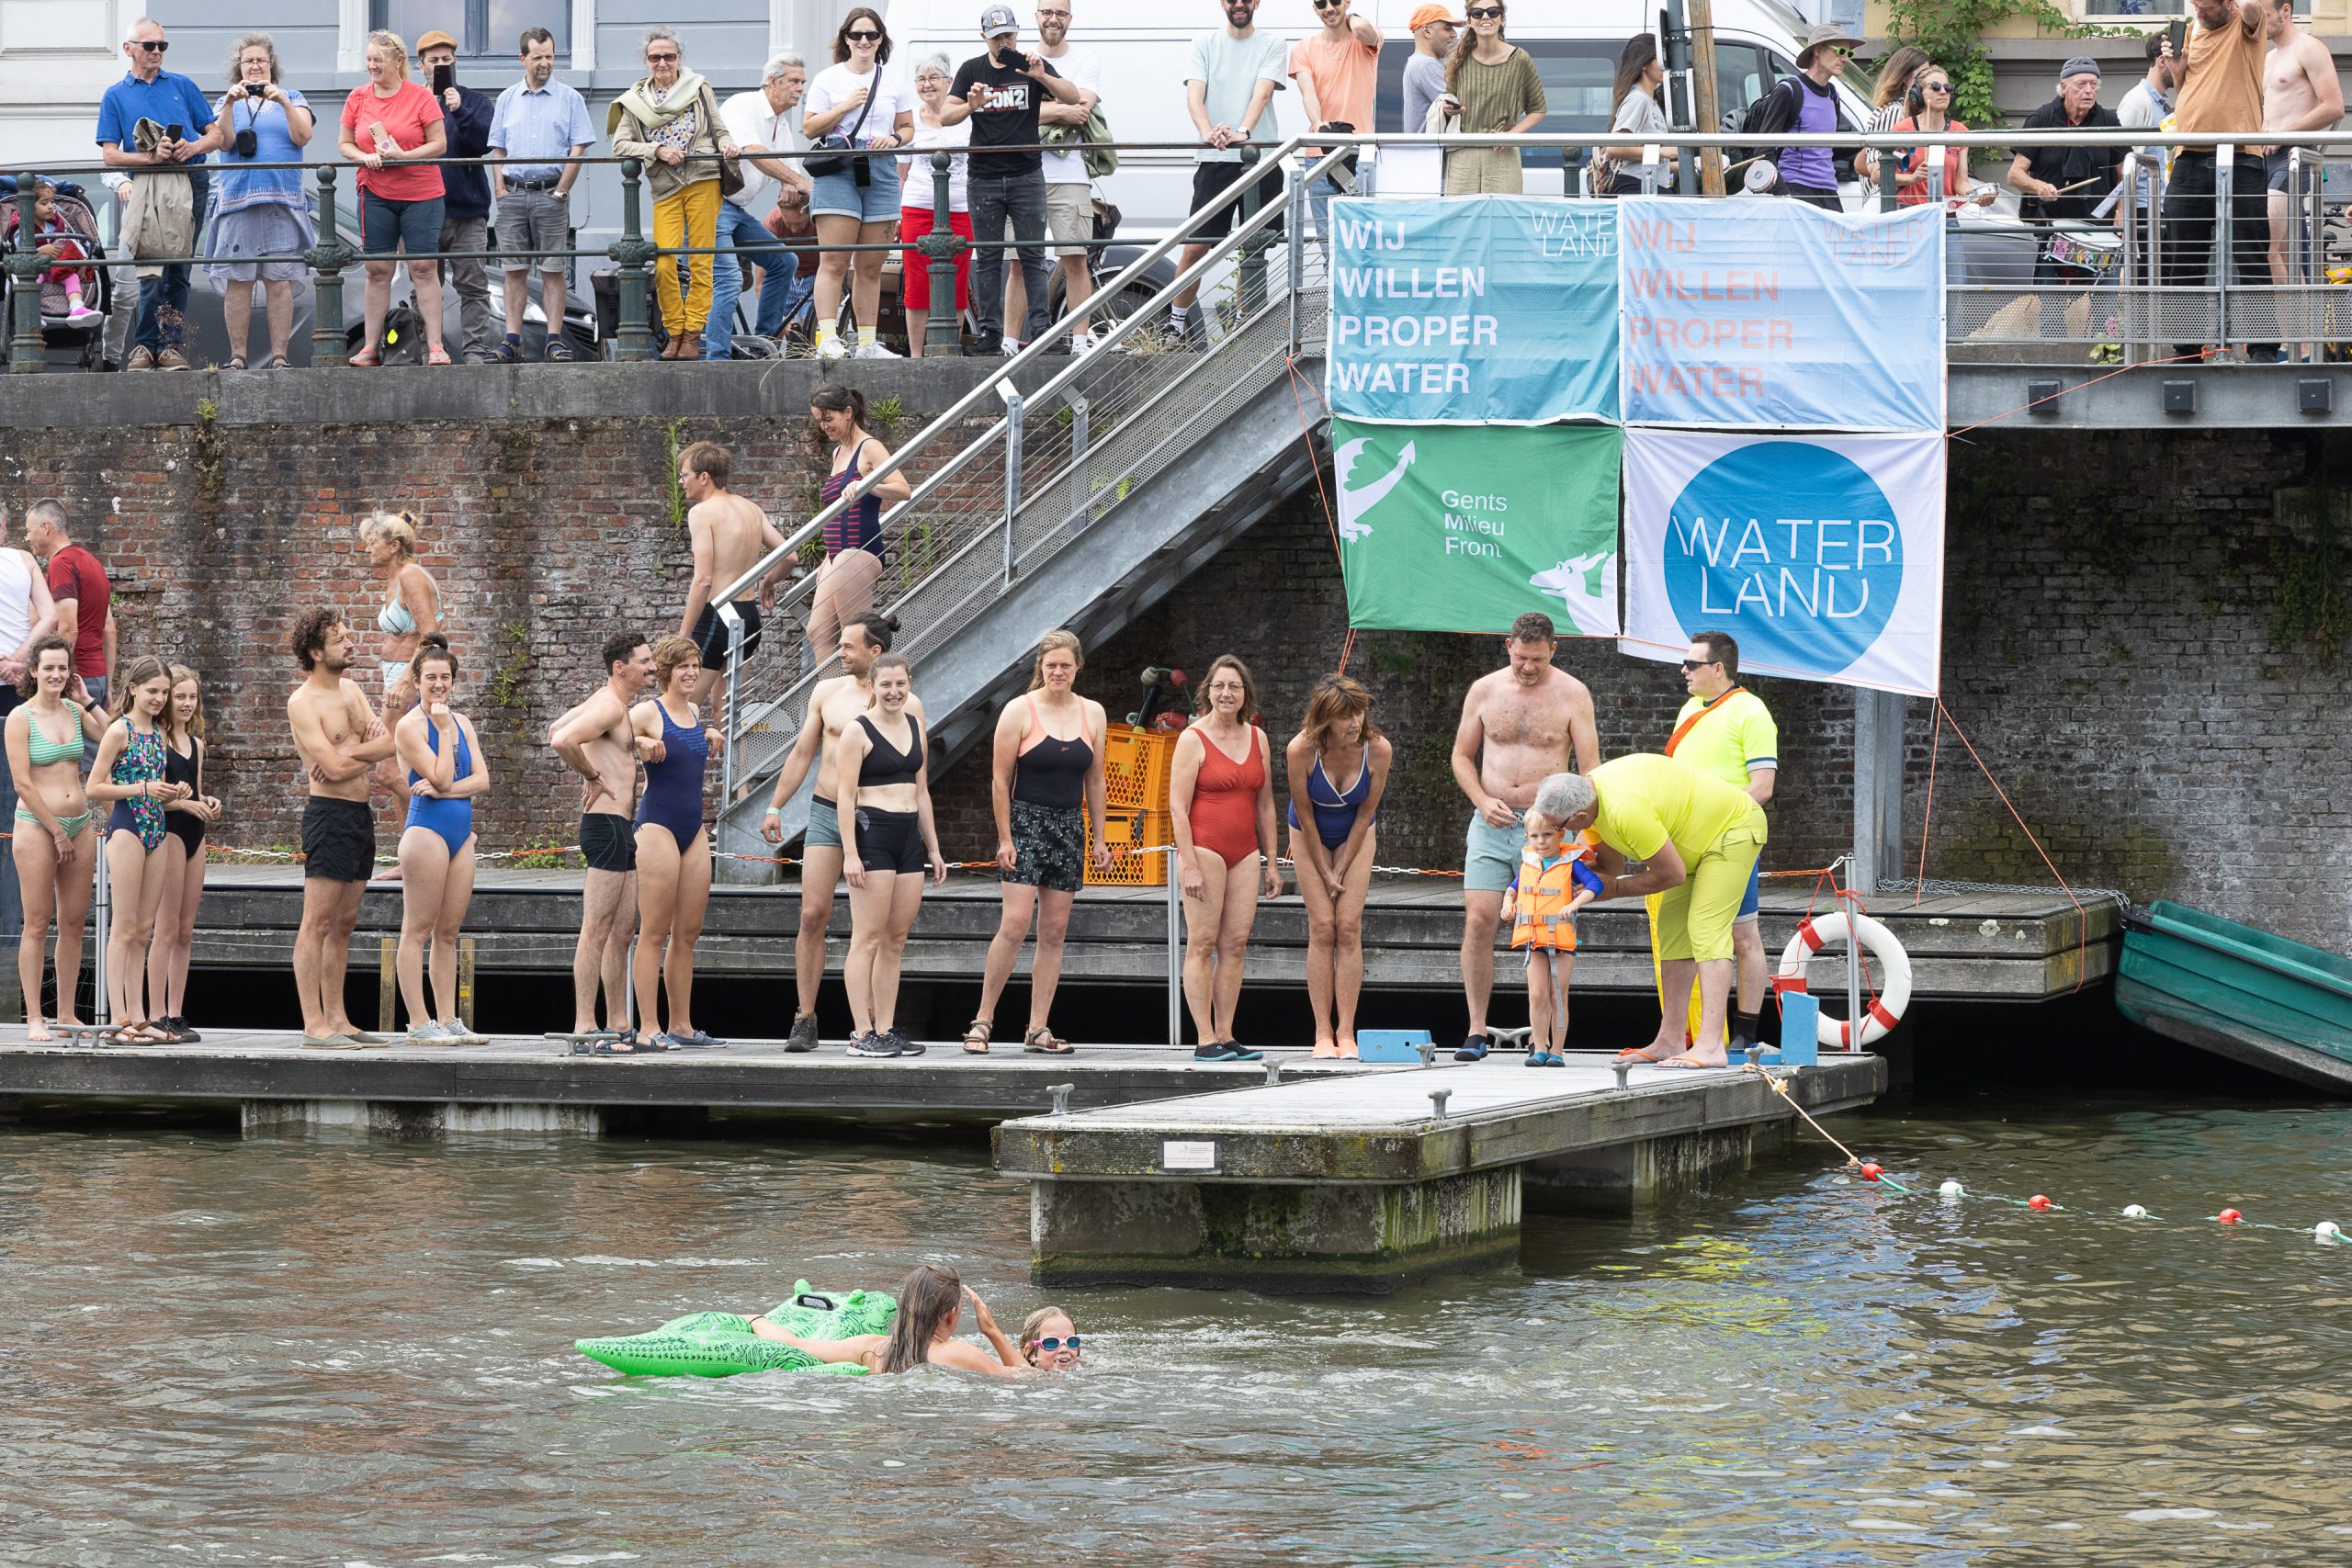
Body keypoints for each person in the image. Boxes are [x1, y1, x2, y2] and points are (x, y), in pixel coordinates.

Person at [1540, 761, 1768, 1071]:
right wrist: (1563, 877)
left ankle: (1712, 1045)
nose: (1560, 833)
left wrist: (1615, 890)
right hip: (1693, 844)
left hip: (1733, 829)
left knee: (1706, 928)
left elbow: (1670, 875)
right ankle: (1670, 1040)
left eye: (1560, 827)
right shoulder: (1590, 798)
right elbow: (1611, 866)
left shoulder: (1625, 809)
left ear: (1578, 817)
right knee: (1672, 931)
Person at [1448, 612, 1598, 1062]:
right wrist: (1480, 800)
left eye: (1537, 659)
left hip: (1546, 827)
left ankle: (1542, 1037)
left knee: (1545, 931)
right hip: (1491, 819)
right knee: (1479, 920)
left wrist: (1581, 827)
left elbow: (1590, 770)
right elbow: (1461, 756)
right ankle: (1476, 1029)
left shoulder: (1573, 693)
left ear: (1553, 650)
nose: (1528, 667)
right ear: (1508, 646)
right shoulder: (1484, 689)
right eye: (1521, 658)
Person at [761, 613, 909, 1055]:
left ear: (874, 651)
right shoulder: (827, 692)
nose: (839, 652)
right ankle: (805, 1016)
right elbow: (802, 752)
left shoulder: (896, 697)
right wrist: (775, 805)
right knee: (813, 913)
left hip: (876, 819)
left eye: (847, 646)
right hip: (827, 811)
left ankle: (875, 1024)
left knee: (877, 927)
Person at [965, 629, 1110, 1056]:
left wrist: (1100, 838)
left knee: (1054, 931)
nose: (1058, 672)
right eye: (1051, 665)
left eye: (1065, 665)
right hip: (1027, 822)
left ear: (1078, 666)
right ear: (1040, 668)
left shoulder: (1093, 713)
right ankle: (982, 1021)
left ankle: (1038, 1027)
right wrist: (1004, 837)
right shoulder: (1019, 710)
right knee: (1014, 924)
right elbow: (1000, 779)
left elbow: (1095, 779)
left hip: (1069, 827)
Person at [285, 609, 397, 1049]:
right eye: (340, 639)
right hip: (328, 816)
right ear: (316, 652)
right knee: (317, 922)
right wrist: (360, 749)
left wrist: (348, 750)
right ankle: (313, 1024)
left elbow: (389, 742)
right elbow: (328, 770)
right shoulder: (303, 702)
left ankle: (339, 1019)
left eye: (347, 636)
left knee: (345, 923)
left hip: (359, 815)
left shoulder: (351, 690)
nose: (351, 644)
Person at [1662, 632, 1777, 1057]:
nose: (1683, 670)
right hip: (1686, 840)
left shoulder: (1752, 711)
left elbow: (1762, 787)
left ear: (1718, 668)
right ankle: (1675, 1035)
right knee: (1682, 933)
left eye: (1692, 664)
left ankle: (1745, 1031)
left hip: (1728, 839)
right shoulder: (1689, 709)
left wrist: (1715, 822)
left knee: (1742, 932)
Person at [944, 5, 1081, 358]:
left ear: (1018, 33)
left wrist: (1042, 77)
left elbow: (1073, 96)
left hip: (1026, 175)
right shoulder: (971, 69)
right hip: (984, 177)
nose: (1004, 42)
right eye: (996, 38)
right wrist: (971, 105)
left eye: (1008, 35)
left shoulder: (1030, 64)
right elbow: (945, 116)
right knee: (988, 257)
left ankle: (1042, 332)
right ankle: (990, 334)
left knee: (1032, 255)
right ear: (984, 38)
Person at [831, 651, 946, 1058]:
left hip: (908, 835)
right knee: (867, 938)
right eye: (886, 685)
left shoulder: (915, 725)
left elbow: (922, 791)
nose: (894, 692)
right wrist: (850, 853)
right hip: (873, 833)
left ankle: (885, 1027)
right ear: (873, 686)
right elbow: (845, 797)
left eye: (900, 684)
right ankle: (861, 1032)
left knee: (896, 939)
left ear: (909, 683)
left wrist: (934, 848)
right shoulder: (857, 731)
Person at [1170, 654, 1279, 1062]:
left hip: (1245, 852)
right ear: (1208, 692)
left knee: (1235, 944)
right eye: (1219, 686)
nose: (1226, 693)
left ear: (1245, 693)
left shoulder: (1257, 738)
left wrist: (1272, 861)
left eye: (1234, 686)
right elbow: (1177, 807)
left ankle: (1226, 1033)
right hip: (1204, 849)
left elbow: (1265, 803)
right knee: (1202, 942)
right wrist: (1189, 864)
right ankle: (1204, 1039)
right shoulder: (1192, 738)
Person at [550, 631, 654, 1047]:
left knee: (622, 931)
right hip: (605, 826)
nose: (652, 667)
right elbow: (561, 739)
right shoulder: (610, 705)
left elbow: (558, 725)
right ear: (620, 667)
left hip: (621, 828)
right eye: (644, 661)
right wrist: (592, 774)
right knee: (596, 928)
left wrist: (626, 745)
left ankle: (618, 1022)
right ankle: (584, 1025)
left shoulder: (607, 702)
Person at [609, 28, 738, 363]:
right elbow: (620, 145)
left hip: (703, 179)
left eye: (669, 56)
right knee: (664, 264)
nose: (662, 62)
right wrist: (656, 149)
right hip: (665, 187)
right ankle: (675, 331)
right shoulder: (635, 100)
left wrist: (726, 144)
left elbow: (720, 129)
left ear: (679, 59)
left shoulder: (699, 87)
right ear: (646, 61)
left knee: (701, 260)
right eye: (655, 57)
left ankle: (692, 336)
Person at [96, 17, 215, 371]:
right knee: (150, 270)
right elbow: (110, 155)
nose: (157, 52)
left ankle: (170, 347)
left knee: (178, 269)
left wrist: (192, 147)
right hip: (148, 185)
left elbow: (216, 135)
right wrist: (150, 158)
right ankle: (146, 346)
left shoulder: (182, 84)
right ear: (128, 48)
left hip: (189, 179)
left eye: (162, 45)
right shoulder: (116, 95)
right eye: (149, 45)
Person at [85, 656, 190, 1043]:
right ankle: (119, 1020)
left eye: (164, 692)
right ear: (133, 689)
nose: (160, 698)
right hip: (127, 827)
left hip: (156, 829)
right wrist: (143, 788)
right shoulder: (119, 730)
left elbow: (156, 788)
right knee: (124, 927)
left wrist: (175, 793)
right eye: (152, 691)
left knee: (144, 929)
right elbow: (94, 787)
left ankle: (139, 1017)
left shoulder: (160, 732)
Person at [1285, 673, 1390, 1060]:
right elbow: (1305, 815)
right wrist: (1325, 871)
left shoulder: (1378, 749)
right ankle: (1322, 1032)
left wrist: (1341, 868)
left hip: (1356, 832)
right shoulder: (1301, 749)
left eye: (1359, 712)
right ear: (1325, 717)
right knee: (1322, 927)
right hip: (1309, 831)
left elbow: (1365, 814)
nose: (1354, 722)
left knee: (1347, 926)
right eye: (1345, 716)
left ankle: (1346, 1031)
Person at [390, 636, 488, 1045]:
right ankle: (418, 1022)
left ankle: (448, 1017)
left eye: (445, 677)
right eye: (430, 677)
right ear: (416, 681)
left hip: (460, 835)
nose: (438, 685)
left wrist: (444, 791)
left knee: (448, 932)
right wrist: (443, 730)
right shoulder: (410, 726)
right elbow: (444, 775)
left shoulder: (463, 722)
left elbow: (482, 780)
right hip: (426, 832)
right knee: (417, 929)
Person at [1170, 0, 1287, 346]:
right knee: (1196, 246)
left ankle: (1241, 324)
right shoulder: (1204, 44)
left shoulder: (1273, 44)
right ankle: (1173, 326)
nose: (1239, 4)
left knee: (1253, 248)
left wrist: (1243, 132)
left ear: (1256, 3)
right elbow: (1194, 96)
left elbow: (1262, 93)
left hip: (1260, 159)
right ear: (1223, 3)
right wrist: (1208, 132)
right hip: (1215, 160)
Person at [630, 634, 725, 1050]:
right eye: (684, 666)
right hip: (657, 826)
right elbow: (607, 737)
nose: (691, 672)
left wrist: (710, 730)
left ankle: (681, 1026)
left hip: (692, 828)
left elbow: (689, 745)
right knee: (654, 931)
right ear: (667, 671)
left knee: (687, 932)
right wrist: (640, 741)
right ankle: (648, 1028)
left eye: (695, 665)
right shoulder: (647, 711)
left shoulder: (694, 710)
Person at [6, 637, 104, 1041]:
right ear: (34, 671)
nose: (56, 674)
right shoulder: (20, 718)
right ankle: (34, 1016)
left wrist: (88, 700)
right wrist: (57, 831)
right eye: (48, 668)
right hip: (37, 824)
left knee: (74, 922)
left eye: (63, 668)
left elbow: (114, 737)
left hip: (79, 822)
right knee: (36, 922)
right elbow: (22, 783)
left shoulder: (74, 710)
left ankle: (66, 1013)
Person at [804, 7, 916, 360]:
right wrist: (844, 107)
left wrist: (894, 140)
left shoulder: (894, 81)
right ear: (846, 40)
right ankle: (828, 339)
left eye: (871, 34)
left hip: (880, 167)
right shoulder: (828, 79)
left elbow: (908, 127)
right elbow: (809, 127)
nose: (864, 41)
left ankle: (867, 343)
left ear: (881, 39)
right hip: (839, 166)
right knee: (834, 260)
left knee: (870, 265)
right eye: (856, 35)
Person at [2162, 3, 2270, 362]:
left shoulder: (2247, 22)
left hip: (2241, 157)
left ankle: (2262, 349)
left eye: (2207, 7)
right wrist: (2178, 72)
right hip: (2188, 158)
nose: (2200, 13)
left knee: (2251, 256)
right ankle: (2186, 351)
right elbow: (2189, 90)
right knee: (2184, 259)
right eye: (2196, 6)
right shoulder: (2194, 30)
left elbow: (2253, 6)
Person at [203, 33, 314, 370]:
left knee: (279, 281)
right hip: (239, 199)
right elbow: (224, 143)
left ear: (271, 65)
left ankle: (280, 357)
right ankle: (237, 356)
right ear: (238, 67)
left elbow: (303, 136)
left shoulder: (293, 97)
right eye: (248, 61)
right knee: (238, 281)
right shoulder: (224, 101)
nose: (254, 66)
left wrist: (282, 102)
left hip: (282, 200)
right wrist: (229, 103)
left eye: (260, 61)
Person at [339, 30, 449, 367]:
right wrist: (364, 157)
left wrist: (404, 156)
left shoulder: (420, 96)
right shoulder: (358, 97)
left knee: (423, 268)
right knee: (377, 269)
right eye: (369, 60)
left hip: (421, 194)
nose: (372, 66)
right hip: (375, 192)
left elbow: (439, 144)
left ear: (398, 61)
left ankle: (435, 347)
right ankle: (370, 348)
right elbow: (345, 144)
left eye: (379, 60)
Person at [489, 27, 596, 365]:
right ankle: (512, 340)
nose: (545, 63)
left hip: (551, 194)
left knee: (553, 270)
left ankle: (554, 340)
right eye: (538, 57)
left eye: (549, 56)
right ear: (523, 59)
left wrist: (562, 191)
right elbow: (498, 149)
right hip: (513, 194)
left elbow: (578, 149)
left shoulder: (570, 98)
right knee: (514, 270)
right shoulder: (507, 99)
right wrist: (500, 191)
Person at [745, 1264, 1046, 1377]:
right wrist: (991, 1330)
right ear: (951, 1314)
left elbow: (794, 1344)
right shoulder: (958, 1353)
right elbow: (1029, 1381)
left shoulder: (871, 1348)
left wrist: (754, 1319)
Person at [708, 53, 812, 360]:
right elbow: (754, 152)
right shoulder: (743, 105)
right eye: (794, 81)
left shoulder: (781, 123)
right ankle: (717, 359)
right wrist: (796, 181)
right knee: (728, 280)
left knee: (784, 261)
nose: (800, 88)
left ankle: (762, 346)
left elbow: (792, 175)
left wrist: (801, 188)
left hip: (736, 210)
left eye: (802, 82)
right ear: (772, 81)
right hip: (712, 206)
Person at [674, 440, 789, 716]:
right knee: (728, 713)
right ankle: (736, 749)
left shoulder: (702, 512)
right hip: (748, 615)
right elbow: (790, 556)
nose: (681, 482)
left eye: (685, 475)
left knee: (681, 708)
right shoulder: (751, 509)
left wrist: (683, 636)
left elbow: (704, 580)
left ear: (704, 477)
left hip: (718, 614)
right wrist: (769, 581)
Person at [2007, 60, 2125, 314]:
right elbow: (2015, 174)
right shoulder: (2042, 119)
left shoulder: (2108, 120)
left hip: (2101, 231)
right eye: (2081, 84)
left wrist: (2121, 214)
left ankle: (2105, 341)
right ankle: (2054, 340)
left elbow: (2125, 175)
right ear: (2063, 87)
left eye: (2093, 84)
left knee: (2105, 309)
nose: (2089, 90)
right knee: (2051, 305)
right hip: (2054, 229)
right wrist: (2038, 186)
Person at [806, 385, 911, 669]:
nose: (824, 426)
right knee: (818, 631)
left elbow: (903, 489)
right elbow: (835, 511)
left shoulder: (870, 447)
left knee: (855, 637)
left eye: (828, 418)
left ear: (848, 412)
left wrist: (867, 485)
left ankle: (863, 692)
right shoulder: (837, 453)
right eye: (819, 420)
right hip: (836, 555)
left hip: (859, 551)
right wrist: (827, 559)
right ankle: (830, 694)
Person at [2259, 0, 2342, 357]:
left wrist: (2285, 133)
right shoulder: (2268, 57)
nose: (2258, 23)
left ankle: (2299, 341)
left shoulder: (2309, 47)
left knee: (2271, 247)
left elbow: (2334, 106)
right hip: (2265, 157)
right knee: (2286, 252)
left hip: (2295, 156)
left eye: (2263, 15)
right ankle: (2296, 342)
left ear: (2285, 11)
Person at [143, 664, 217, 1046]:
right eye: (180, 696)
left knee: (186, 930)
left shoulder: (197, 745)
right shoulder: (157, 741)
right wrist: (185, 805)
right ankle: (156, 1014)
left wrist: (208, 802)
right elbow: (157, 799)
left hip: (195, 837)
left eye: (192, 696)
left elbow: (196, 793)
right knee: (166, 928)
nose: (187, 703)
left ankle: (176, 1012)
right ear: (167, 700)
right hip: (169, 832)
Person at [413, 30, 497, 365]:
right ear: (420, 65)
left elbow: (484, 144)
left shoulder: (475, 101)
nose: (440, 65)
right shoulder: (410, 101)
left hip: (467, 211)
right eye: (433, 60)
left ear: (456, 62)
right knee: (422, 283)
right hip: (422, 209)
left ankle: (475, 351)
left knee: (473, 285)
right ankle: (427, 350)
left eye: (446, 60)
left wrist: (460, 111)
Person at [0, 506, 58, 944]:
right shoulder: (23, 559)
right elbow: (50, 617)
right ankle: (13, 919)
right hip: (17, 680)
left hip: (14, 680)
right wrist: (19, 660)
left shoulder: (22, 559)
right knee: (19, 792)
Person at [1035, 1, 1105, 355]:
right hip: (1026, 175)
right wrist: (1063, 108)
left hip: (1072, 175)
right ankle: (1012, 343)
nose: (1053, 19)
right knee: (1018, 261)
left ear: (1070, 19)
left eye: (1060, 13)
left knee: (1076, 259)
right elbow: (1013, 113)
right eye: (1047, 12)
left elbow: (1083, 107)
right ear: (1036, 16)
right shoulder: (1021, 59)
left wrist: (1041, 106)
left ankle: (1079, 343)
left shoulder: (1085, 60)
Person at [1508, 807, 1600, 1067]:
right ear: (1527, 837)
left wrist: (1575, 903)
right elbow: (1513, 889)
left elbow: (1596, 884)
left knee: (1557, 995)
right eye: (1535, 836)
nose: (1541, 841)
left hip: (1562, 940)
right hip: (1534, 939)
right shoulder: (1529, 863)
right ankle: (1539, 1047)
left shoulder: (1571, 863)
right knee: (1537, 995)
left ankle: (1557, 1050)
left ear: (1560, 835)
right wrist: (1507, 904)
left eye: (1547, 835)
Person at [27, 500, 116, 760]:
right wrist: (109, 684)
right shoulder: (92, 563)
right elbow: (109, 629)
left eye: (29, 530)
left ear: (46, 527)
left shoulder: (62, 564)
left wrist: (57, 676)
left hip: (77, 679)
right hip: (96, 677)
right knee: (99, 760)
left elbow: (68, 630)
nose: (27, 537)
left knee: (80, 765)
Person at [900, 54, 975, 358]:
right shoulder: (910, 120)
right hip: (918, 207)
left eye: (934, 78)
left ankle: (948, 352)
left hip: (960, 208)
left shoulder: (967, 117)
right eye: (921, 79)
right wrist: (897, 214)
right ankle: (917, 356)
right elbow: (901, 172)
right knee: (917, 282)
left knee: (958, 280)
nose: (927, 84)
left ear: (949, 82)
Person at [1289, 0, 1382, 243]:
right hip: (1319, 152)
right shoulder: (1303, 48)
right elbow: (1307, 92)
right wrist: (1319, 124)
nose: (1329, 8)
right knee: (1328, 240)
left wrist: (1349, 16)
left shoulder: (1364, 39)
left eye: (1336, 1)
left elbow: (1362, 29)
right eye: (1321, 3)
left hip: (1361, 152)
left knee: (1363, 238)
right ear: (1314, 8)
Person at [1436, 3, 1546, 196]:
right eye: (1477, 13)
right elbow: (1449, 98)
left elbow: (1538, 109)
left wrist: (1510, 135)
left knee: (1503, 213)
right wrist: (1449, 109)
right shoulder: (1458, 58)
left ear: (1502, 19)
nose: (1485, 17)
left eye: (1493, 12)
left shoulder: (1520, 59)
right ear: (1470, 21)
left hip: (1503, 155)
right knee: (1462, 214)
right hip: (1463, 155)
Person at [1747, 22, 1859, 209]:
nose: (1845, 59)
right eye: (1840, 51)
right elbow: (1763, 150)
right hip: (1797, 188)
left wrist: (1866, 143)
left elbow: (1826, 150)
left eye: (1849, 54)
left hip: (1829, 191)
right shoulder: (1789, 90)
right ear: (1818, 51)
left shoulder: (1833, 94)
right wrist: (1785, 195)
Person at [357, 511, 441, 722]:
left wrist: (406, 680)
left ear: (394, 546)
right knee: (393, 738)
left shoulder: (409, 575)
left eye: (373, 543)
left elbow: (431, 636)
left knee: (392, 740)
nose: (368, 549)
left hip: (409, 672)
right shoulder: (397, 577)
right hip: (397, 672)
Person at [1889, 67, 1995, 209]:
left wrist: (1976, 196)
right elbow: (1878, 175)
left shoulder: (1960, 131)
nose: (1943, 91)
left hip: (1945, 212)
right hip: (1910, 211)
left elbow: (1961, 182)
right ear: (1918, 93)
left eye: (1948, 87)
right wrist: (1911, 178)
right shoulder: (1903, 129)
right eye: (1935, 87)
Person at [1595, 32, 1673, 197]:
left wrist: (1692, 163)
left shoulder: (1650, 101)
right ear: (1643, 64)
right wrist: (1662, 152)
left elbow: (1655, 163)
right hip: (1636, 186)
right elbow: (1614, 147)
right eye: (1661, 59)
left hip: (1649, 184)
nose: (1666, 65)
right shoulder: (1638, 99)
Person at [2117, 30, 2177, 224]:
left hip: (2159, 205)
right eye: (2177, 62)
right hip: (2143, 207)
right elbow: (2122, 159)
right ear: (2162, 61)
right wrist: (2121, 210)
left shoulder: (2161, 103)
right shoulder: (2138, 100)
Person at [28, 180, 104, 327]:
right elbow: (18, 252)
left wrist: (82, 260)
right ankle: (33, 313)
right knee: (32, 280)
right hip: (36, 268)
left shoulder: (57, 224)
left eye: (52, 202)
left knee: (72, 277)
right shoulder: (23, 229)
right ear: (29, 207)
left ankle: (77, 308)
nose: (51, 206)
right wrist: (39, 251)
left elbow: (73, 243)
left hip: (58, 267)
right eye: (44, 203)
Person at [1400, 6, 1458, 140]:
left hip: (1422, 150)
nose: (1454, 34)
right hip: (1429, 150)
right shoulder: (1426, 65)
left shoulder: (1416, 62)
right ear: (1426, 31)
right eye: (1447, 28)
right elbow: (1458, 107)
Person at [1019, 1305, 1083, 1370]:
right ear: (1030, 1353)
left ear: (1077, 1349)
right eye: (1051, 1342)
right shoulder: (1022, 1373)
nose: (1064, 1349)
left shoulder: (1084, 1367)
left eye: (1071, 1341)